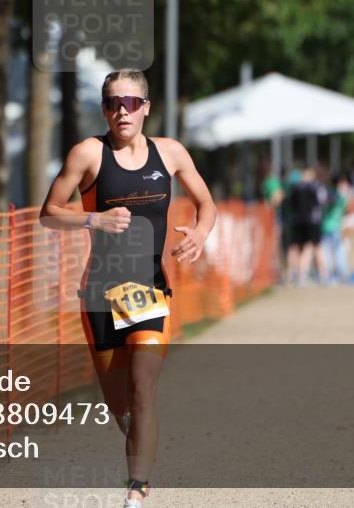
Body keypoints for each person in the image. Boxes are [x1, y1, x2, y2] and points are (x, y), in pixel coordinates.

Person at [39, 68, 216, 508]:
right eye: (114, 104)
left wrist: (200, 233)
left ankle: (137, 487)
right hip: (99, 294)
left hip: (150, 290)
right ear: (104, 110)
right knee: (120, 406)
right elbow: (49, 212)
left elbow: (206, 203)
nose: (123, 111)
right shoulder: (88, 154)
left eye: (132, 103)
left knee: (143, 389)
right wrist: (92, 219)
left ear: (146, 108)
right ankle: (135, 439)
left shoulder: (170, 153)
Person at [285, 167, 327, 286]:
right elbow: (321, 202)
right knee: (312, 247)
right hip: (311, 223)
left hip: (298, 222)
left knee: (296, 248)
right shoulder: (315, 187)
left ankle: (293, 274)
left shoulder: (295, 188)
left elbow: (290, 204)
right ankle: (317, 275)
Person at [320, 175, 350, 284]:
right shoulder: (339, 196)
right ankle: (339, 273)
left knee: (330, 251)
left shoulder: (333, 195)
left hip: (330, 226)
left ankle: (333, 274)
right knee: (336, 251)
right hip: (333, 227)